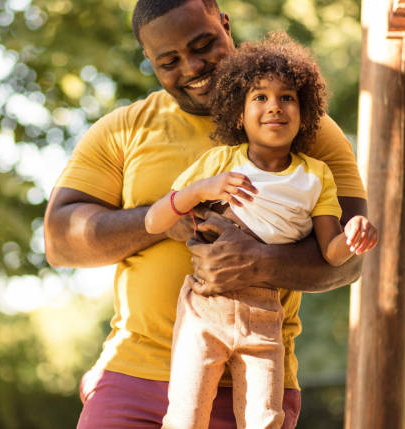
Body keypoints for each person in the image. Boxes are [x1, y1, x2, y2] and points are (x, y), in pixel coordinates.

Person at [43, 0, 369, 428]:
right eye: (169, 61)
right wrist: (163, 219)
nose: (193, 66)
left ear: (225, 25)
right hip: (132, 374)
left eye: (203, 45)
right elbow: (61, 240)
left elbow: (351, 258)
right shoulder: (125, 129)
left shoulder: (300, 124)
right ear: (149, 61)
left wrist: (257, 263)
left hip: (250, 383)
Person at [144, 32, 377, 429]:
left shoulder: (315, 176)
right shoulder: (220, 161)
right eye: (260, 98)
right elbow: (154, 222)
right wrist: (202, 189)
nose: (274, 107)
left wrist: (353, 236)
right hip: (205, 307)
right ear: (239, 112)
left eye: (287, 97)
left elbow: (330, 251)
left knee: (265, 419)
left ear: (304, 113)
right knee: (185, 416)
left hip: (265, 313)